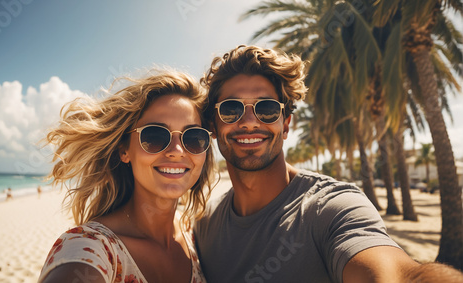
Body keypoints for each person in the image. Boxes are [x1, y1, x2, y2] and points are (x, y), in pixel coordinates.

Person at [194, 45, 463, 283]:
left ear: (286, 124)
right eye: (231, 109)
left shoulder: (331, 209)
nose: (250, 121)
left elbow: (398, 274)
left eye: (266, 109)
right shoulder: (204, 224)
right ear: (213, 126)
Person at [39, 69, 215, 283]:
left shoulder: (193, 233)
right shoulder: (92, 247)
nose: (177, 150)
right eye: (155, 136)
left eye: (194, 137)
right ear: (125, 150)